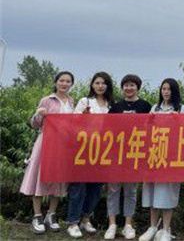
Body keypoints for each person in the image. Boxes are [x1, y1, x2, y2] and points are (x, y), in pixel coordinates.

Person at [20, 71, 75, 234]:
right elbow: (35, 124)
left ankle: (51, 214)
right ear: (56, 82)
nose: (64, 84)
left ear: (71, 84)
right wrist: (39, 114)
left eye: (68, 81)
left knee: (58, 178)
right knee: (39, 176)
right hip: (45, 142)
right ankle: (37, 216)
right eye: (61, 80)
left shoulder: (71, 101)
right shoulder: (47, 100)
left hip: (63, 145)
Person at [139, 78, 184, 241]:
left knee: (168, 192)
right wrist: (149, 121)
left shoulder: (181, 108)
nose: (166, 92)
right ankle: (152, 227)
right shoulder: (155, 108)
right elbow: (146, 130)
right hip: (154, 154)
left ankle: (166, 229)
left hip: (171, 156)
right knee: (151, 191)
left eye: (169, 89)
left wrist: (178, 120)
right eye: (163, 89)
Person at [66, 72, 114, 238]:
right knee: (78, 186)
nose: (100, 86)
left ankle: (85, 218)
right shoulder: (85, 102)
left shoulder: (111, 105)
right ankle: (73, 222)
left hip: (102, 151)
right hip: (83, 150)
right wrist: (84, 119)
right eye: (97, 83)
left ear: (108, 86)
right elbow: (73, 123)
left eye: (103, 83)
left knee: (96, 188)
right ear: (92, 85)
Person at [105, 74, 152, 240]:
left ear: (138, 87)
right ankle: (112, 224)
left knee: (131, 191)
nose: (129, 88)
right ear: (122, 88)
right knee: (113, 190)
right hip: (116, 154)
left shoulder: (145, 106)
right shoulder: (115, 107)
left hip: (135, 155)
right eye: (126, 85)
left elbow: (152, 128)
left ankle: (128, 224)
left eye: (132, 85)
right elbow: (106, 128)